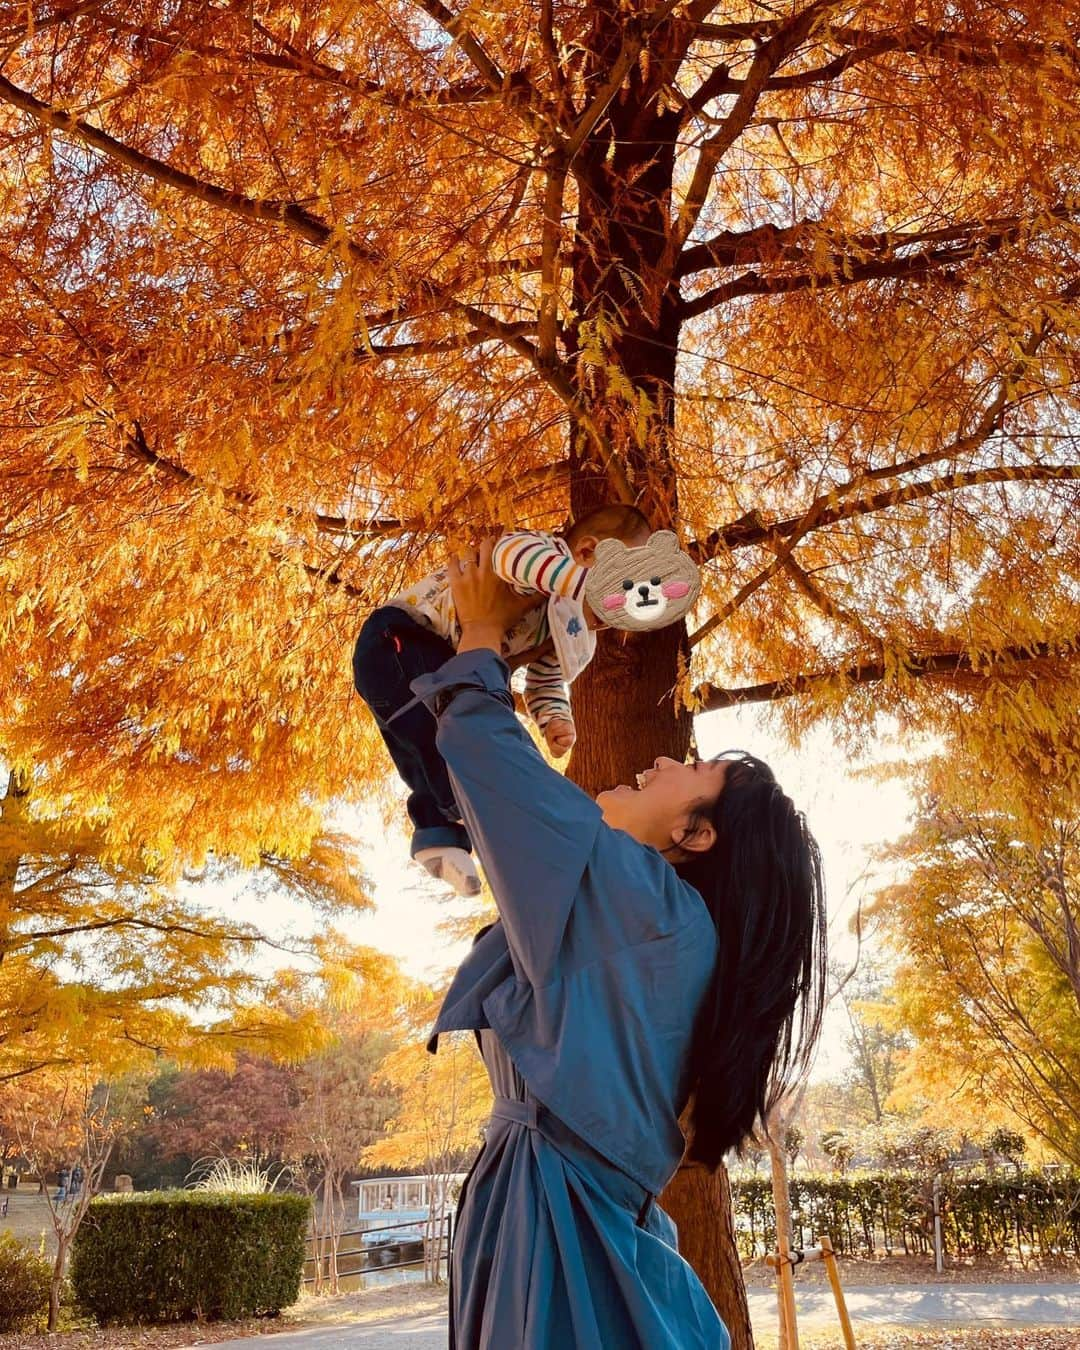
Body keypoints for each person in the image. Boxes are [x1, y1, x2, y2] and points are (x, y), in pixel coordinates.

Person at [412, 540, 827, 1349]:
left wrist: (483, 635)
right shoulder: (660, 924)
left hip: (557, 1226)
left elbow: (500, 772)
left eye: (692, 769)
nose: (665, 758)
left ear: (695, 832)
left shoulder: (644, 904)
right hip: (561, 1213)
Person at [352, 505, 651, 897]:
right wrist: (579, 584)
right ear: (586, 553)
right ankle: (468, 809)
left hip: (447, 666)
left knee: (432, 748)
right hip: (403, 637)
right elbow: (510, 558)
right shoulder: (541, 556)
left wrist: (555, 719)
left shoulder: (575, 629)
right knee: (453, 732)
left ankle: (440, 836)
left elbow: (545, 680)